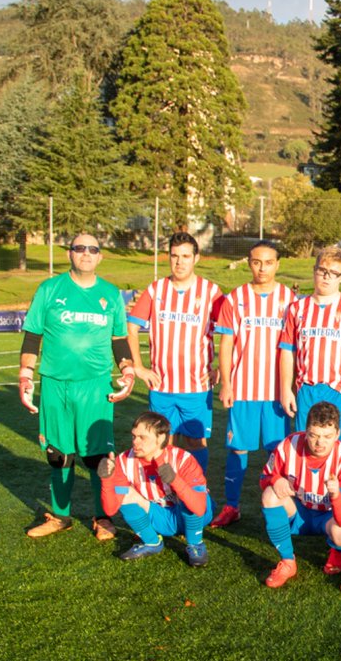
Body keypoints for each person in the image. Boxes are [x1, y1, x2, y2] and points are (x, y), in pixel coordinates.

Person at [19, 233, 136, 540]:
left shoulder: (110, 295)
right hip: (56, 384)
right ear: (69, 253)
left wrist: (127, 369)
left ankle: (104, 517)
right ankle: (60, 516)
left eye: (92, 249)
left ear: (100, 257)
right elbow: (32, 335)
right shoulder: (49, 289)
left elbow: (119, 339)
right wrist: (25, 374)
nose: (86, 253)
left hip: (95, 386)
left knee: (98, 456)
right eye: (79, 248)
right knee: (59, 454)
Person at [211, 240, 294, 528]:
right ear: (249, 262)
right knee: (238, 449)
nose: (262, 267)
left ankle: (280, 505)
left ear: (277, 264)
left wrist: (290, 386)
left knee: (278, 452)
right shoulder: (235, 298)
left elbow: (295, 347)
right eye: (257, 261)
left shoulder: (289, 299)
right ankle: (232, 506)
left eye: (268, 262)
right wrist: (226, 383)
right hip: (244, 388)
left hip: (277, 392)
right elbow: (225, 344)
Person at [127, 231, 223, 472]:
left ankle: (196, 487)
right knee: (162, 442)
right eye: (174, 256)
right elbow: (131, 325)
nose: (180, 262)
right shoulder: (156, 289)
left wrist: (221, 369)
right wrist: (139, 367)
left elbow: (231, 332)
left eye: (185, 256)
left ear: (196, 258)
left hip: (196, 387)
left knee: (195, 442)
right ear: (168, 258)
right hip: (162, 386)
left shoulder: (211, 292)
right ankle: (164, 492)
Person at [259, 401, 341, 588]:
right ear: (305, 431)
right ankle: (288, 561)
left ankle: (338, 552)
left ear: (338, 434)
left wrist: (336, 495)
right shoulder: (289, 446)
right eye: (313, 435)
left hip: (329, 516)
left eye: (327, 436)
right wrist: (274, 480)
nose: (320, 443)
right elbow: (264, 476)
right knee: (269, 495)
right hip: (300, 512)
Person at [278, 245, 341, 453]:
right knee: (308, 448)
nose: (327, 277)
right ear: (314, 270)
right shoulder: (297, 309)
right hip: (307, 389)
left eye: (334, 273)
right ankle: (308, 486)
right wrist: (285, 389)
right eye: (322, 271)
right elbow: (287, 351)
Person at [99, 411, 213, 564]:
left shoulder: (183, 459)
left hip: (191, 516)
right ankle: (152, 542)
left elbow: (199, 508)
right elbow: (110, 510)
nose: (135, 442)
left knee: (189, 494)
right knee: (126, 493)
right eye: (134, 436)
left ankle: (195, 544)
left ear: (161, 438)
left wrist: (174, 480)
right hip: (159, 516)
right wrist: (106, 480)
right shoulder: (124, 461)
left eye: (142, 438)